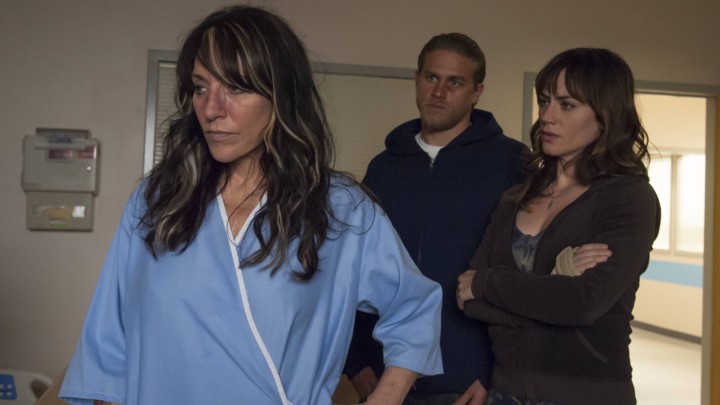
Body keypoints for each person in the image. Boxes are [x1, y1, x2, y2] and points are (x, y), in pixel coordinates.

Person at [58, 6, 443, 405]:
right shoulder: (158, 200)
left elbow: (414, 308)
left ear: (280, 96)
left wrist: (385, 398)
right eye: (201, 87)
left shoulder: (339, 209)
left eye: (235, 88)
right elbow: (108, 344)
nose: (211, 109)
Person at [456, 48, 661, 405]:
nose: (547, 116)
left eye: (567, 105)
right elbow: (465, 298)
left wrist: (488, 283)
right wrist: (554, 285)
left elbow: (582, 304)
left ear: (605, 116)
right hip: (505, 393)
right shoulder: (516, 196)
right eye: (544, 100)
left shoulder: (629, 198)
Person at [344, 33, 526, 404]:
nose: (439, 92)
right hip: (386, 375)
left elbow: (525, 275)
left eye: (454, 82)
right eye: (431, 78)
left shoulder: (512, 164)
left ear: (476, 92)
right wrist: (357, 360)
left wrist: (497, 374)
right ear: (417, 79)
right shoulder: (383, 168)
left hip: (469, 382)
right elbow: (354, 269)